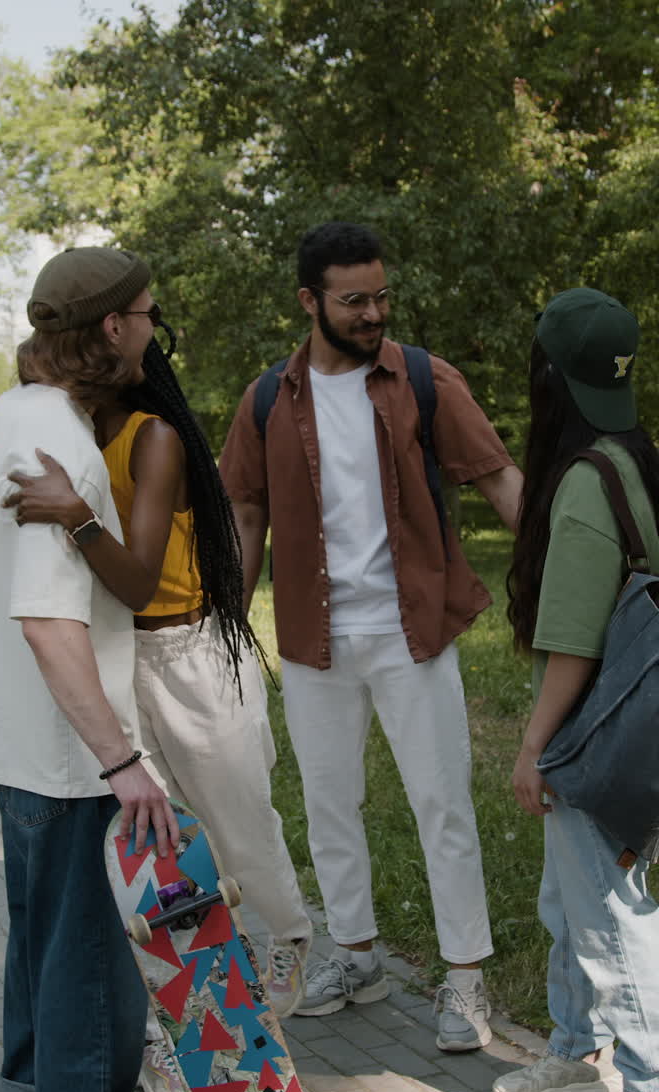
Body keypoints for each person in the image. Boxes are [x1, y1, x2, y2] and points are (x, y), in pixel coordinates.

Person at [0, 285, 313, 1092]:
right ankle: (173, 1031)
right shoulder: (59, 430)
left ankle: (289, 935)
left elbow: (137, 575)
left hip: (185, 653)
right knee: (157, 860)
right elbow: (17, 553)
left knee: (237, 827)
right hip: (115, 659)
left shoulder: (153, 440)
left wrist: (77, 515)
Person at [219, 221, 523, 1049]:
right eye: (354, 300)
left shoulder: (425, 380)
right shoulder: (267, 400)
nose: (373, 312)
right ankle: (355, 957)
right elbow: (243, 512)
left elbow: (500, 479)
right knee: (328, 806)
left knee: (443, 803)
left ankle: (465, 980)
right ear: (308, 302)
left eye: (381, 296)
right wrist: (227, 627)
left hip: (411, 629)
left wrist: (565, 581)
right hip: (315, 638)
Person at [0, 246, 196, 1092]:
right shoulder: (62, 450)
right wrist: (121, 760)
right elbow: (52, 623)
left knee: (36, 925)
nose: (149, 328)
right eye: (145, 313)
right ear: (110, 328)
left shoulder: (6, 416)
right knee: (87, 941)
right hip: (65, 749)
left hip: (11, 736)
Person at [493, 287, 659, 1092]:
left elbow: (573, 640)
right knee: (569, 901)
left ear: (548, 376)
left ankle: (648, 1085)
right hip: (626, 718)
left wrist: (533, 747)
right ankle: (574, 1052)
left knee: (607, 914)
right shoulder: (632, 455)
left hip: (592, 728)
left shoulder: (588, 481)